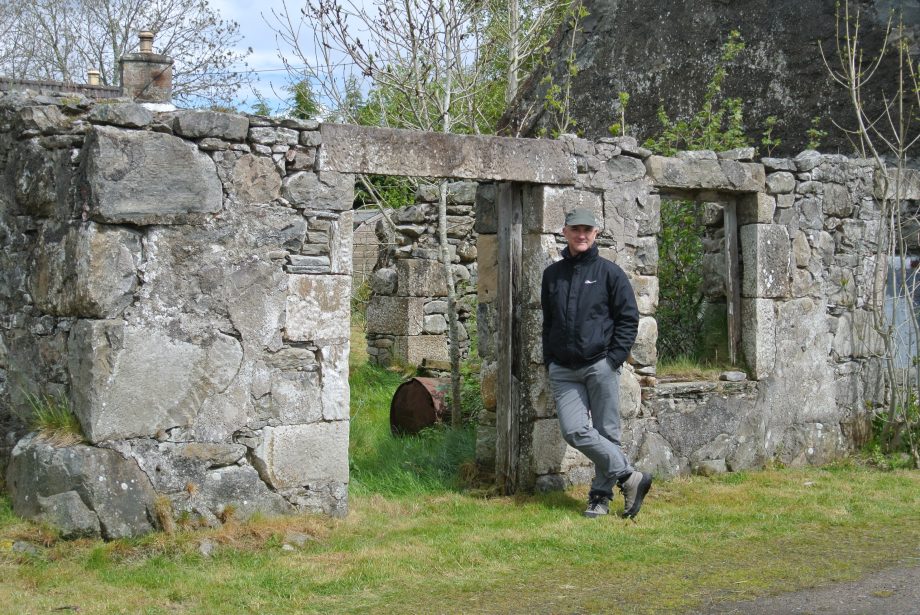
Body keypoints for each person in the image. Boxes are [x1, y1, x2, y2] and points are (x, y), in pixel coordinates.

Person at [541, 208, 652, 519]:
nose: (581, 235)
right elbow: (548, 323)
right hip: (563, 370)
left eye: (587, 230)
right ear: (564, 232)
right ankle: (631, 477)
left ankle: (600, 498)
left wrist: (612, 360)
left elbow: (628, 319)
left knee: (607, 432)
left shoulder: (609, 273)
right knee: (574, 430)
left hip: (599, 365)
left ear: (595, 234)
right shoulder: (552, 275)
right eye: (575, 229)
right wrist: (550, 359)